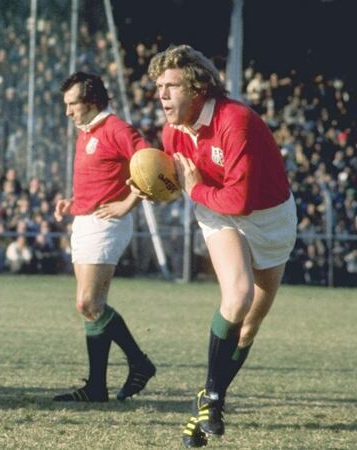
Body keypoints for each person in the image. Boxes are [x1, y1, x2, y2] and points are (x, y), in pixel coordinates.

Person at [146, 45, 296, 447]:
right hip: (216, 211)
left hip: (269, 217)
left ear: (198, 88)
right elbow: (174, 184)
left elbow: (241, 200)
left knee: (249, 326)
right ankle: (212, 397)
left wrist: (194, 190)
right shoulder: (171, 131)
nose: (161, 95)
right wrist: (145, 188)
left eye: (171, 86)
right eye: (158, 86)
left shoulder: (236, 121)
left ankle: (211, 397)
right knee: (238, 296)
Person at [51, 72, 156, 404]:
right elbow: (100, 177)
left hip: (106, 223)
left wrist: (128, 203)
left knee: (88, 302)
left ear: (91, 101)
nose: (67, 112)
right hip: (84, 220)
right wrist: (73, 203)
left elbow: (153, 165)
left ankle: (140, 363)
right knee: (89, 308)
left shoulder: (116, 129)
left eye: (72, 104)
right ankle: (97, 387)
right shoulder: (86, 131)